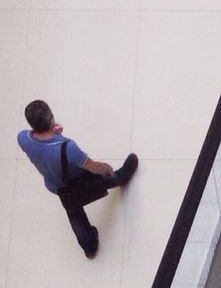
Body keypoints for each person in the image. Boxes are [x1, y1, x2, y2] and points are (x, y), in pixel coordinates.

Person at [16, 100, 138, 259]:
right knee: (104, 179)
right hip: (79, 179)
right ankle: (121, 177)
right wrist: (106, 168)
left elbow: (42, 147)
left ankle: (89, 246)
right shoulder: (68, 147)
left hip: (56, 186)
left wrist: (53, 132)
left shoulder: (22, 138)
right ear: (51, 118)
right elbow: (92, 166)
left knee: (75, 215)